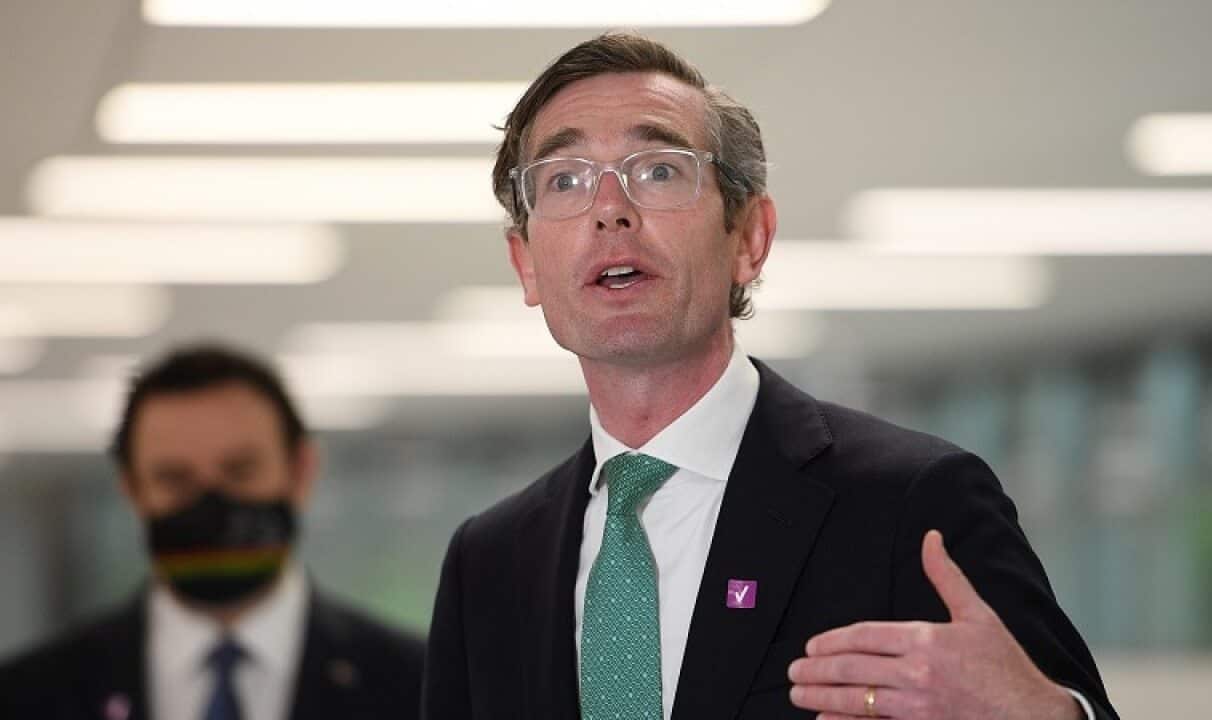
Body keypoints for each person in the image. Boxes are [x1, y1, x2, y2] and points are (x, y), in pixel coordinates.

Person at [422, 32, 1118, 720]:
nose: (611, 208)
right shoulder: (489, 562)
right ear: (528, 266)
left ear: (749, 238)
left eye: (659, 170)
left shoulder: (913, 503)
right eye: (565, 178)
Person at [0, 344, 424, 720]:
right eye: (174, 478)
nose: (210, 504)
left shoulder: (419, 685)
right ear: (132, 489)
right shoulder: (30, 696)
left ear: (300, 472)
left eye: (240, 471)